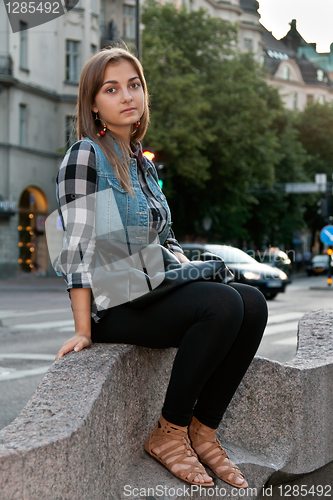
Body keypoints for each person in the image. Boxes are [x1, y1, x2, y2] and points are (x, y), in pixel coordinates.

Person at [53, 47, 268, 488]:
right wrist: (82, 328)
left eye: (134, 85)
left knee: (252, 302)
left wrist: (192, 273)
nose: (127, 96)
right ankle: (169, 432)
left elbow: (165, 243)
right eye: (111, 89)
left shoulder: (142, 163)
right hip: (114, 301)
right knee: (223, 304)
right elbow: (76, 248)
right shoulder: (86, 156)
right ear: (94, 104)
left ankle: (203, 430)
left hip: (148, 285)